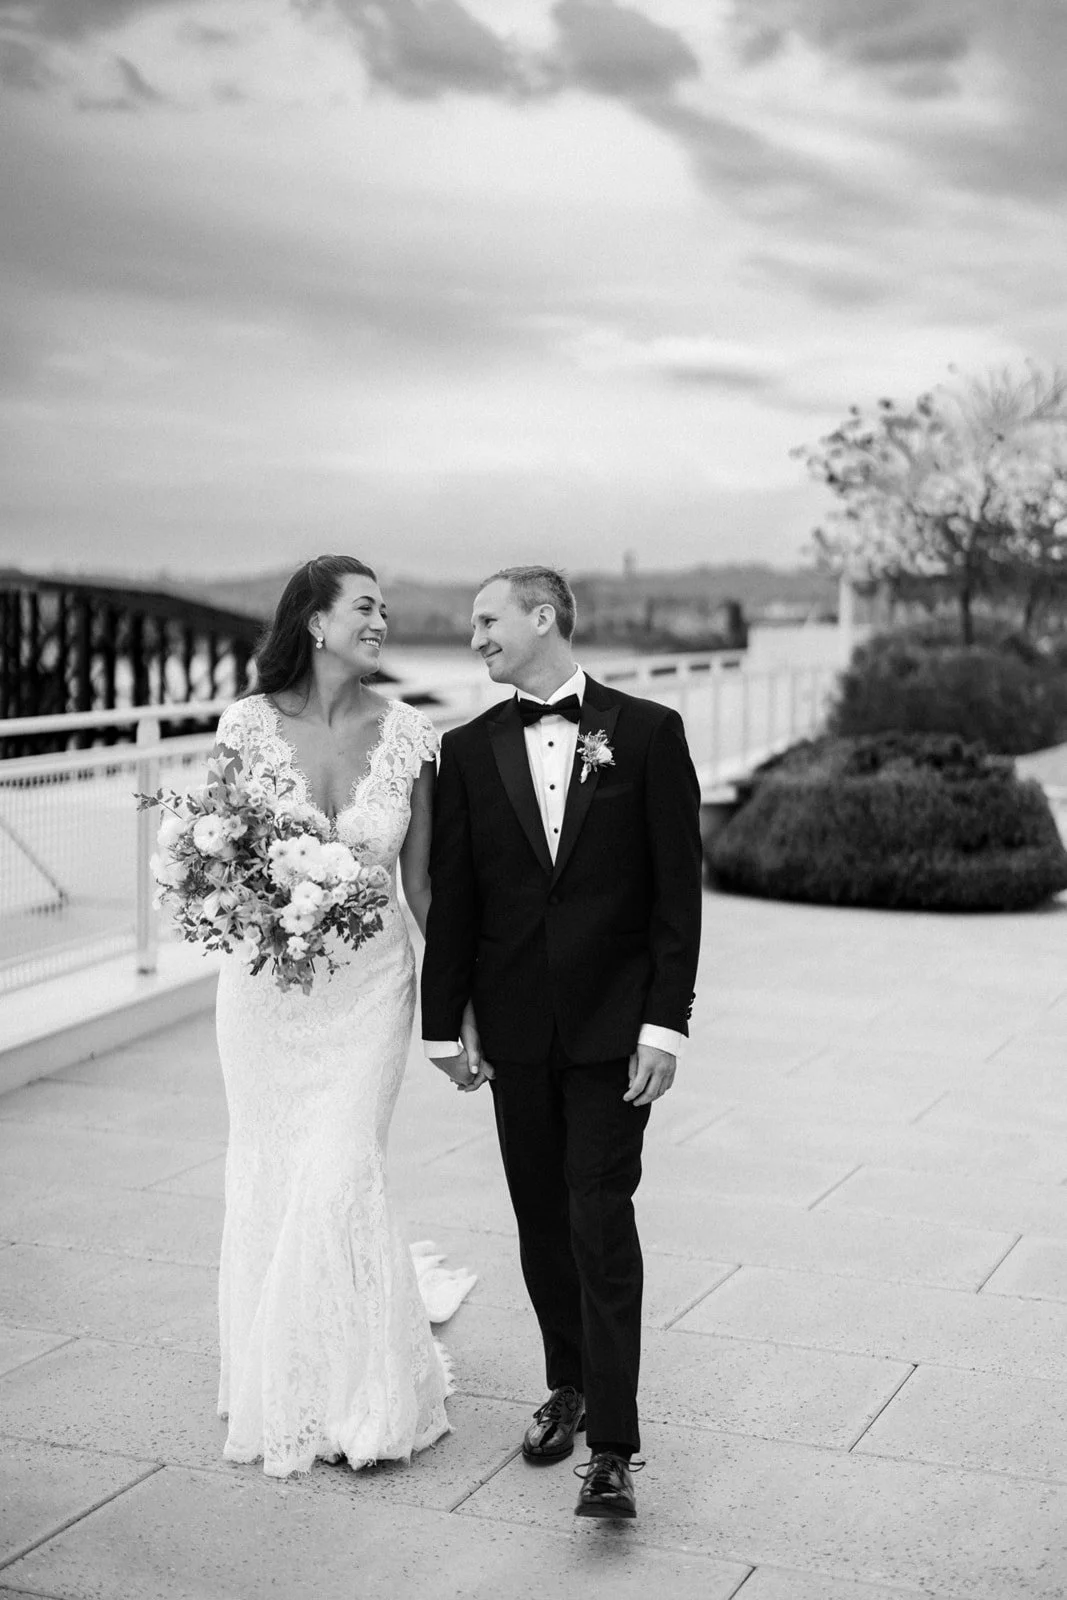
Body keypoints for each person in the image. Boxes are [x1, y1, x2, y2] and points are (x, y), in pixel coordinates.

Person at [421, 565, 702, 1521]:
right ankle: (568, 1387)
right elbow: (454, 897)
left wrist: (666, 1023)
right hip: (513, 1033)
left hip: (612, 1033)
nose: (475, 640)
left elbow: (676, 898)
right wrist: (440, 1022)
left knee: (598, 1217)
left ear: (543, 619)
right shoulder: (465, 750)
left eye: (487, 621)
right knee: (540, 1219)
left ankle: (613, 1448)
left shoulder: (649, 734)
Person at [211, 555, 474, 1479]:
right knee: (275, 1166)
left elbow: (425, 884)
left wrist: (458, 1007)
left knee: (338, 1167)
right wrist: (255, 898)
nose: (380, 622)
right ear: (314, 623)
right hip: (264, 992)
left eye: (386, 609)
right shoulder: (243, 726)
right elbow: (220, 858)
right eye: (364, 608)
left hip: (368, 990)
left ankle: (359, 1391)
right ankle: (282, 1373)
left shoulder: (410, 736)